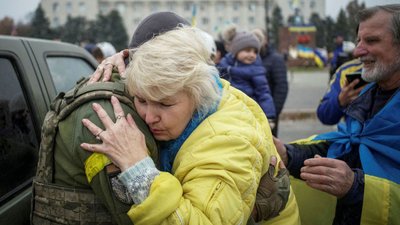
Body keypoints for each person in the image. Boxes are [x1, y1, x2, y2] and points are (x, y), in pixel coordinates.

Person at [81, 26, 300, 224]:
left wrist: (138, 170)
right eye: (141, 100)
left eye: (164, 104)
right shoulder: (198, 94)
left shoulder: (228, 141)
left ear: (198, 95)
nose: (149, 117)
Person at [276, 4, 400, 225]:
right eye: (359, 40)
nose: (357, 51)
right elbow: (343, 148)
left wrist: (355, 186)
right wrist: (287, 154)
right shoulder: (368, 93)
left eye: (371, 41)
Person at [217, 26, 276, 125]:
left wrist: (269, 116)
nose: (252, 54)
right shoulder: (224, 64)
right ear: (236, 51)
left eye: (255, 52)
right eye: (248, 50)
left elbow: (263, 93)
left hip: (248, 112)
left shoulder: (256, 70)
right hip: (226, 111)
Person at [252, 28, 288, 137]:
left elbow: (281, 88)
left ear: (265, 40)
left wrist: (273, 113)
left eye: (259, 39)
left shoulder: (276, 59)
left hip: (268, 113)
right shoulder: (250, 59)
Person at [317, 58, 364, 125]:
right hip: (355, 134)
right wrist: (340, 101)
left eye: (371, 46)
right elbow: (324, 115)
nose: (358, 51)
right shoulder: (348, 70)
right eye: (358, 46)